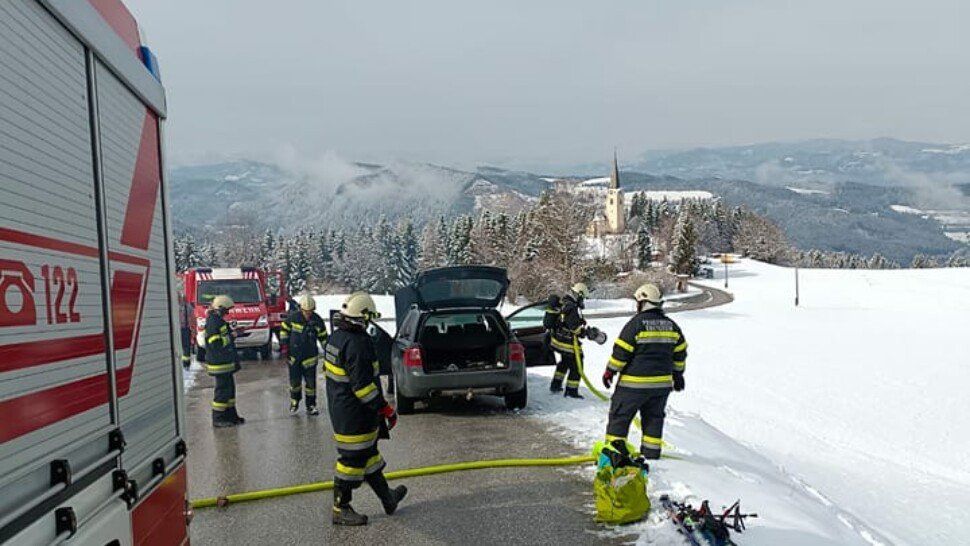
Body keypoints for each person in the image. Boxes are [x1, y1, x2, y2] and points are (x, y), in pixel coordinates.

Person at [324, 292, 407, 526]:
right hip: (354, 414)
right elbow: (363, 388)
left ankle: (387, 498)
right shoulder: (357, 344)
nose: (370, 322)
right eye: (369, 317)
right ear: (361, 317)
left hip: (344, 408)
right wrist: (385, 409)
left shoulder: (337, 337)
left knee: (368, 456)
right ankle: (340, 507)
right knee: (351, 460)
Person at [601, 283, 687, 459]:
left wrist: (610, 371)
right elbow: (680, 353)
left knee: (620, 417)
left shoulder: (636, 324)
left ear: (643, 302)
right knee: (654, 420)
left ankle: (612, 456)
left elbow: (621, 352)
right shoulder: (672, 326)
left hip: (633, 385)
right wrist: (678, 375)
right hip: (661, 387)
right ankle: (651, 456)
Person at [280, 294, 328, 415]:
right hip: (294, 357)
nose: (308, 314)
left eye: (310, 311)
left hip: (310, 358)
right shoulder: (293, 318)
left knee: (311, 384)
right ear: (301, 309)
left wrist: (329, 351)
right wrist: (284, 347)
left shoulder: (317, 321)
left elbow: (323, 338)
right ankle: (294, 401)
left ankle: (311, 405)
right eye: (306, 311)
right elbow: (284, 331)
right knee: (294, 383)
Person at [204, 295, 245, 427]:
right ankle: (218, 418)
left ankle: (231, 416)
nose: (227, 313)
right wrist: (232, 336)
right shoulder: (213, 322)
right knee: (222, 391)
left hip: (225, 363)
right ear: (220, 308)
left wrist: (234, 333)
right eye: (226, 310)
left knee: (230, 391)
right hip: (219, 364)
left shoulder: (218, 321)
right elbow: (214, 342)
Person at [548, 283, 590, 398]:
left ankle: (555, 384)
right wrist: (586, 332)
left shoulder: (565, 303)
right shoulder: (572, 307)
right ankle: (571, 391)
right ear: (579, 294)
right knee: (577, 365)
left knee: (565, 362)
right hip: (567, 343)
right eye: (583, 297)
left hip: (559, 340)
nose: (583, 300)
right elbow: (574, 328)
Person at [178, 294, 192, 369]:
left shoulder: (177, 307)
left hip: (183, 329)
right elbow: (192, 318)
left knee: (185, 347)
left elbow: (192, 318)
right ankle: (185, 364)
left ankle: (185, 364)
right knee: (186, 347)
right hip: (184, 329)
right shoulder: (188, 307)